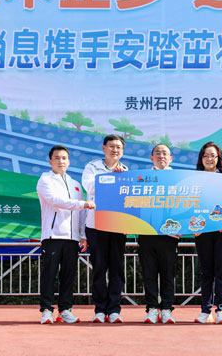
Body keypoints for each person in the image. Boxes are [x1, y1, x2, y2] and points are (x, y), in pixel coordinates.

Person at [37, 145, 95, 325]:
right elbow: (55, 201)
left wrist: (83, 235)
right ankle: (47, 310)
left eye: (64, 158)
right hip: (53, 236)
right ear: (50, 161)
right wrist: (82, 204)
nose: (61, 161)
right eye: (57, 158)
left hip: (72, 239)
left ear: (68, 161)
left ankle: (65, 310)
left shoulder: (75, 184)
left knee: (68, 276)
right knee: (50, 275)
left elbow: (81, 214)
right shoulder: (45, 180)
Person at [82, 134, 128, 323]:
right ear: (103, 148)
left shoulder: (125, 171)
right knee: (99, 267)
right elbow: (90, 187)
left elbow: (127, 200)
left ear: (122, 151)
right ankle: (100, 309)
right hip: (96, 224)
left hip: (117, 225)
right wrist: (112, 178)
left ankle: (114, 309)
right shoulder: (92, 167)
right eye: (111, 146)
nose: (115, 150)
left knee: (117, 268)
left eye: (118, 147)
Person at [193, 141, 222, 324]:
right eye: (206, 155)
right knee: (207, 272)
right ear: (201, 158)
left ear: (219, 158)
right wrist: (192, 227)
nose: (209, 159)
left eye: (213, 155)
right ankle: (205, 311)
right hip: (203, 232)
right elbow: (188, 204)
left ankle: (221, 310)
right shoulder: (194, 179)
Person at [138, 144, 179, 324]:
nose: (161, 156)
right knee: (149, 273)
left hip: (170, 234)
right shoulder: (142, 178)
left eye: (165, 153)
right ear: (151, 158)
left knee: (168, 273)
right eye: (157, 153)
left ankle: (167, 309)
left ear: (170, 158)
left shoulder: (179, 179)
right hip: (146, 232)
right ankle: (152, 308)